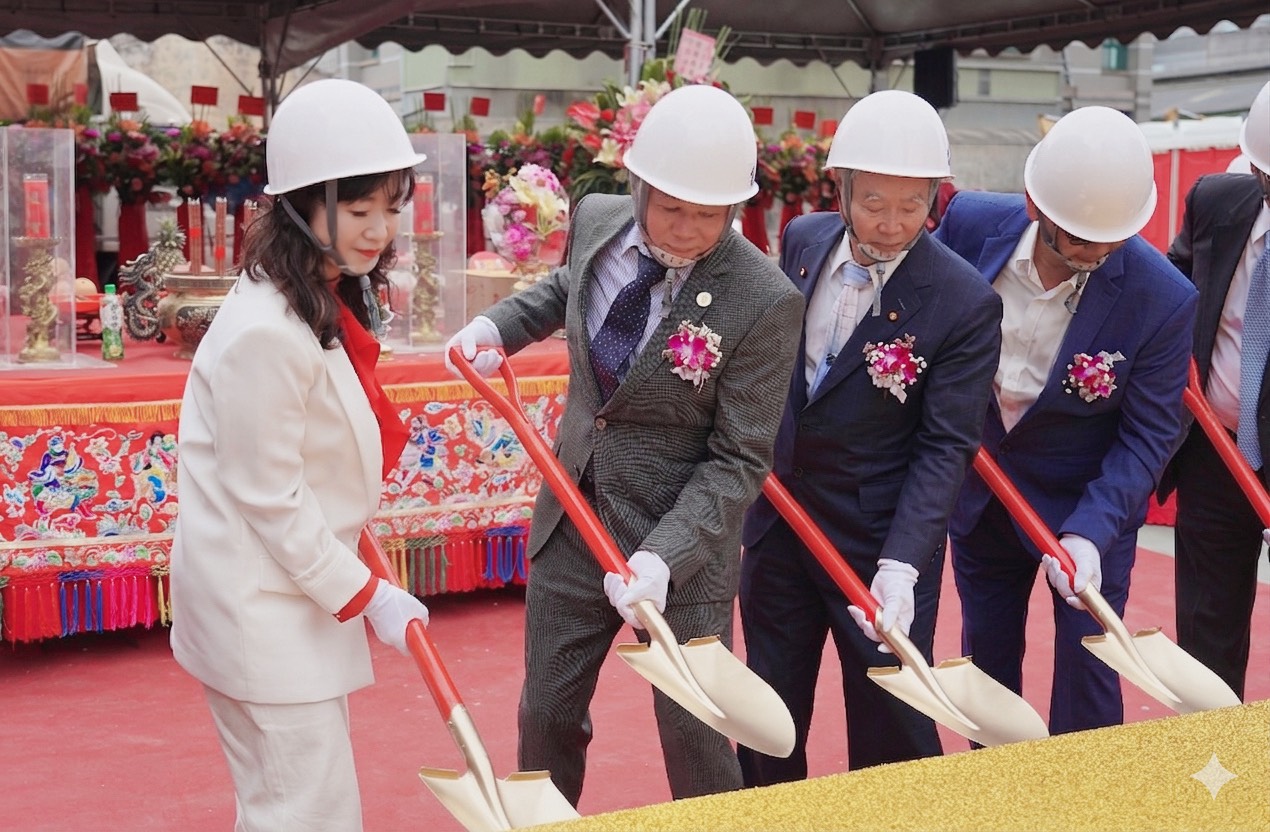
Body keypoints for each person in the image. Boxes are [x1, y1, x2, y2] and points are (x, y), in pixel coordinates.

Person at [444, 84, 804, 805]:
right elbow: (567, 288)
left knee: (695, 731)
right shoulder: (599, 219)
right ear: (638, 185)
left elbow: (740, 459)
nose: (687, 229)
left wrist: (662, 560)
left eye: (710, 215)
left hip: (681, 548)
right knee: (545, 714)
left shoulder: (764, 299)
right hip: (574, 517)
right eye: (672, 208)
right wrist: (499, 328)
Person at [169, 78, 430, 831]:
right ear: (299, 206)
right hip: (261, 613)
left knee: (304, 807)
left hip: (283, 607)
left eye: (390, 206)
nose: (379, 229)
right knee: (303, 813)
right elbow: (272, 499)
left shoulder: (310, 296)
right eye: (358, 209)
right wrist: (367, 593)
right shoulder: (266, 331)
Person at [737, 90, 1003, 784]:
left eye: (912, 205)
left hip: (878, 544)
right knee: (766, 714)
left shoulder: (964, 300)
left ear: (936, 200)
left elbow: (948, 444)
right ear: (843, 188)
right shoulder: (803, 239)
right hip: (781, 523)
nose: (891, 223)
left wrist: (903, 562)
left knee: (893, 724)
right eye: (874, 202)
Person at [935, 106, 1198, 733]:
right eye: (1078, 238)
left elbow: (1150, 434)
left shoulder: (1162, 297)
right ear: (1034, 205)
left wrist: (1088, 532)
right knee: (987, 670)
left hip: (1089, 509)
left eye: (1112, 238)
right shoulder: (971, 226)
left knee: (1090, 673)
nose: (1097, 252)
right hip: (981, 497)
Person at [1163, 79, 1270, 699]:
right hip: (1213, 450)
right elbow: (1170, 298)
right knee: (1206, 632)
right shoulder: (1216, 202)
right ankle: (1209, 768)